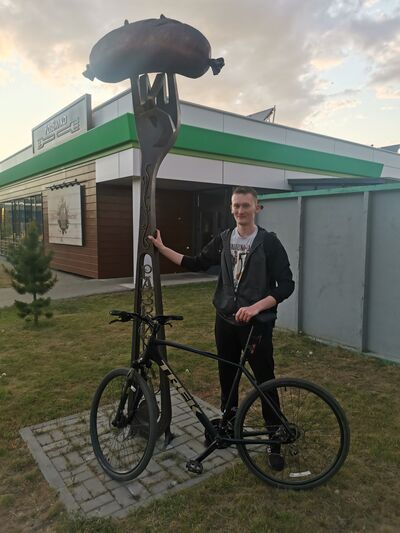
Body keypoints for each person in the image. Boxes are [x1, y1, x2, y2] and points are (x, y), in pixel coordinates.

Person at [148, 186, 294, 470]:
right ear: (231, 208)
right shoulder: (224, 239)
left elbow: (286, 285)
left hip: (256, 326)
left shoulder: (269, 242)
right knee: (227, 377)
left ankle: (275, 438)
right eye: (236, 205)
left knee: (264, 380)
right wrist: (162, 249)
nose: (240, 210)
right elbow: (197, 262)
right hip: (225, 321)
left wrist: (256, 307)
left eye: (246, 205)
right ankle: (228, 427)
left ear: (257, 208)